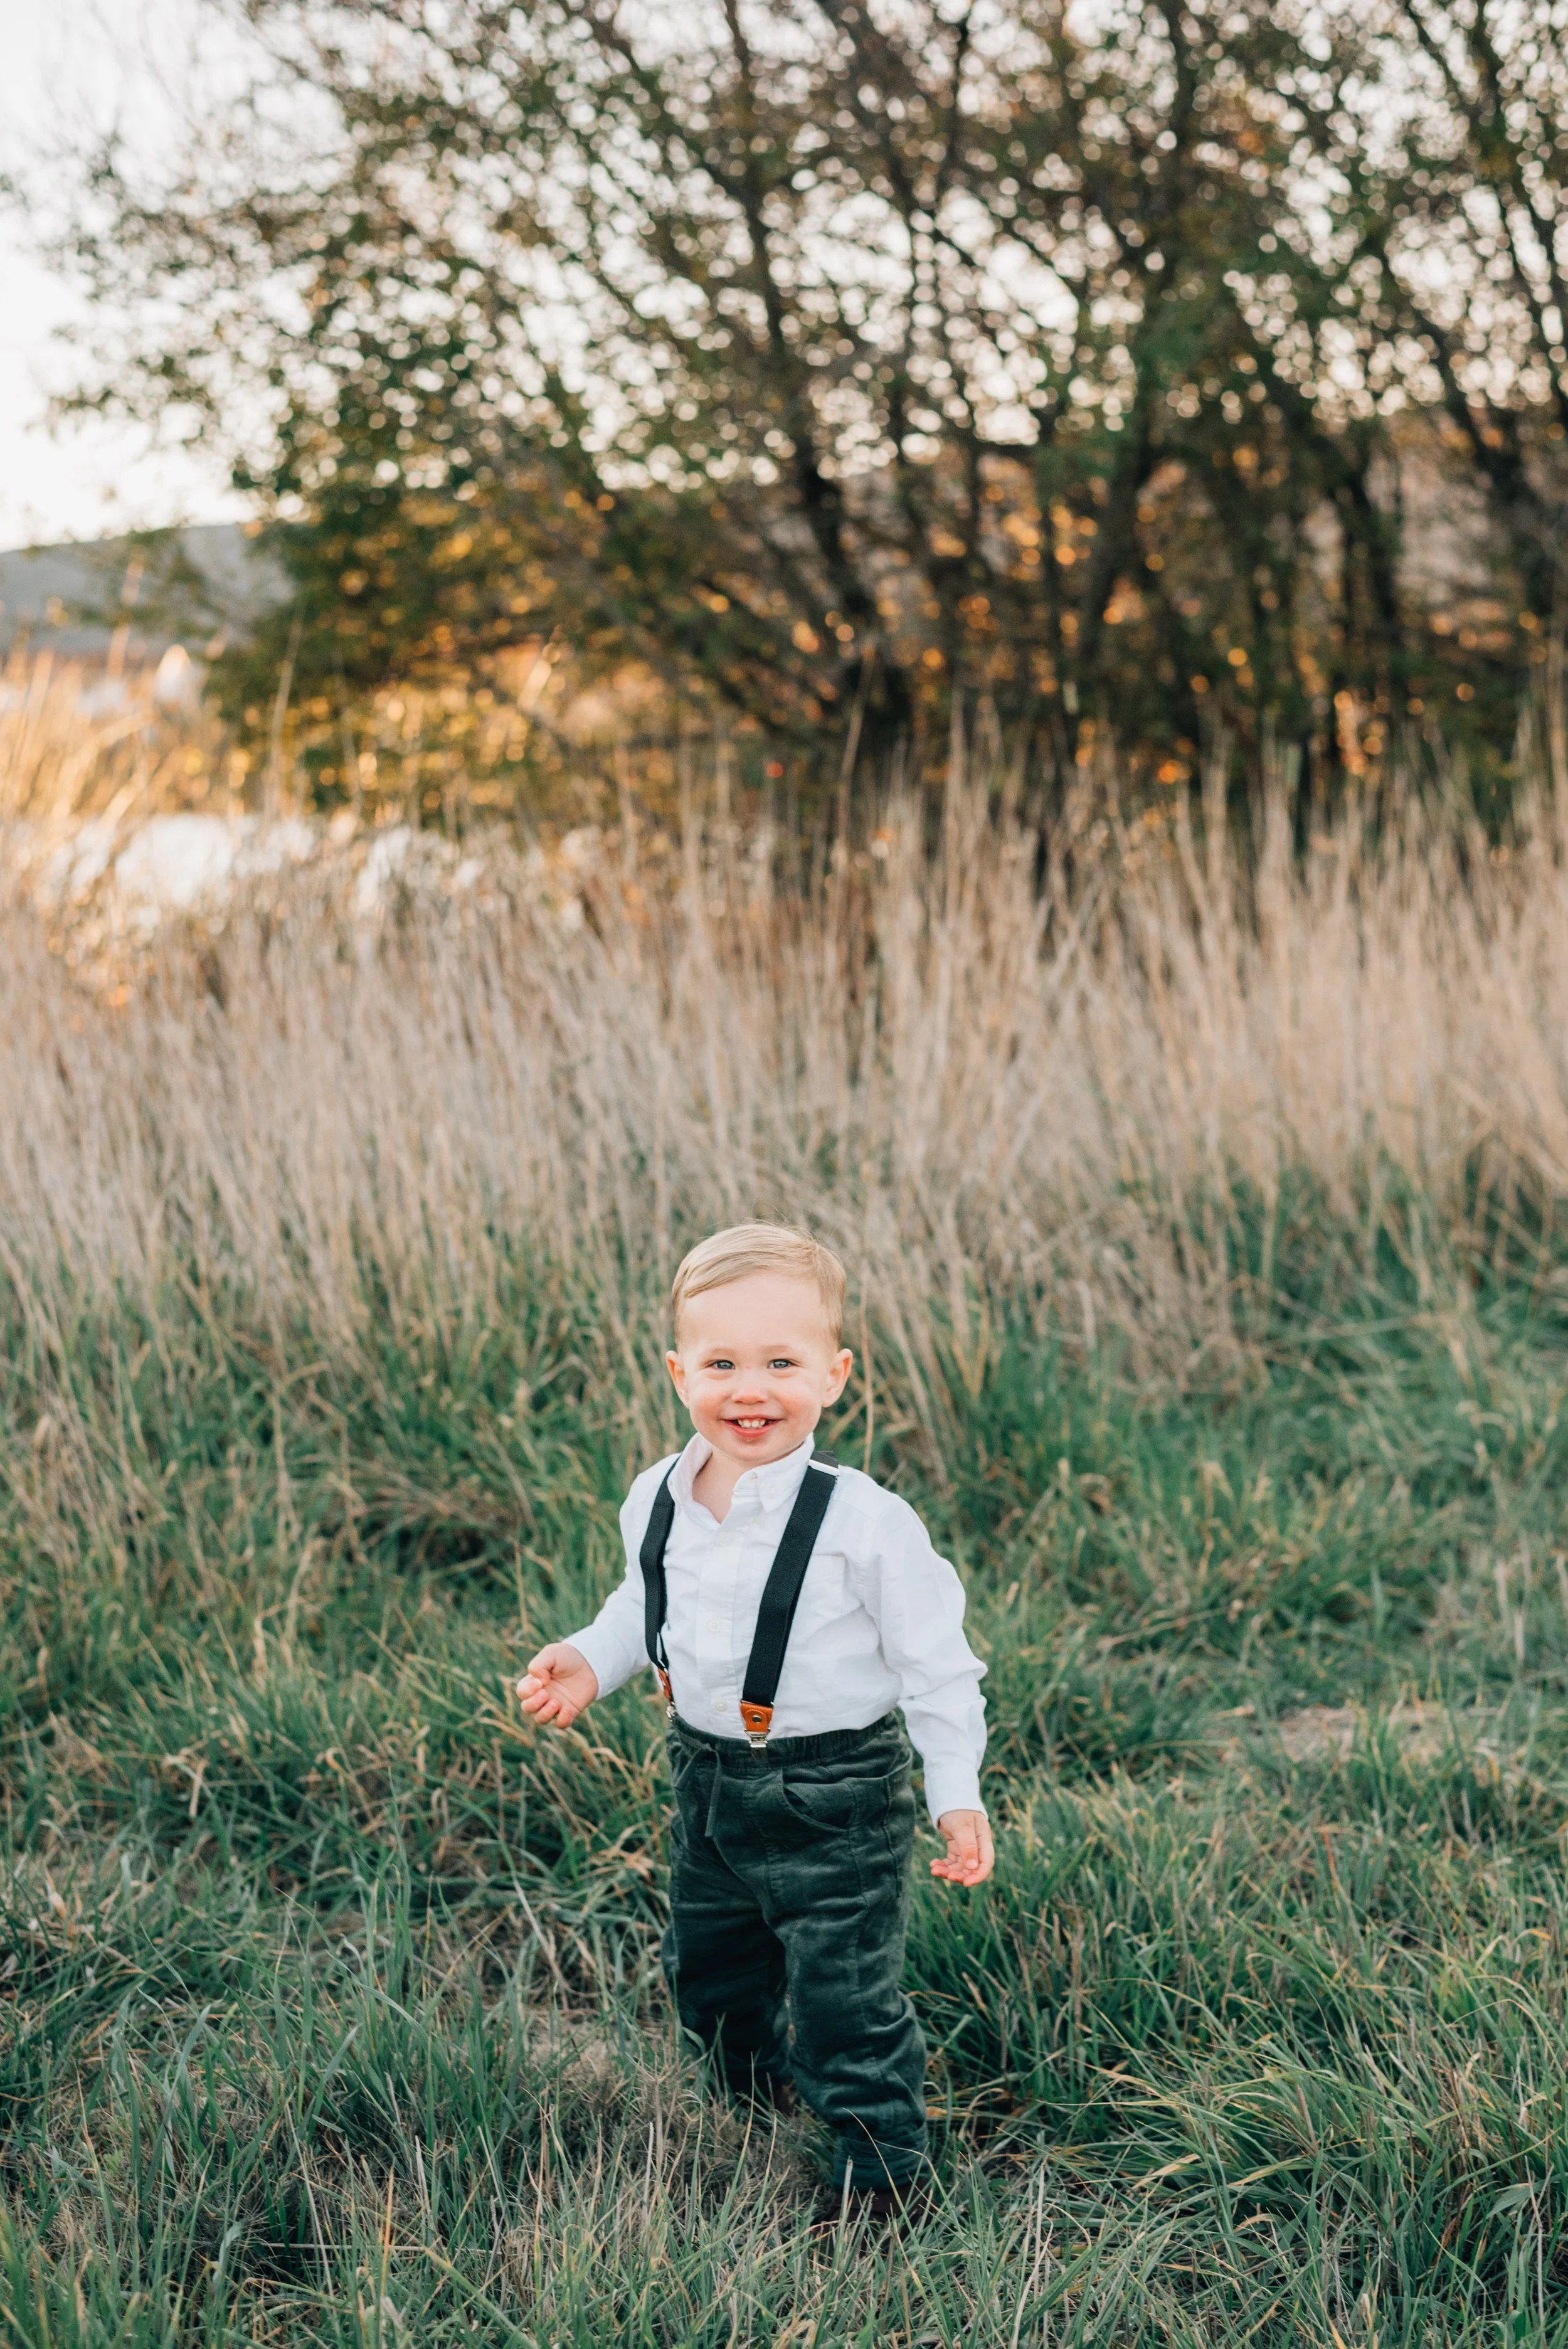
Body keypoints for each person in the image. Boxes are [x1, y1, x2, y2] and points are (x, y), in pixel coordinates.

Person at [516, 1222, 993, 2223]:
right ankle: (749, 2091)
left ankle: (879, 2174)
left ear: (835, 1374)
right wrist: (589, 1661)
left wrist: (956, 1796)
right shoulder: (658, 1496)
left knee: (844, 1997)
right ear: (679, 1371)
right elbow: (643, 1608)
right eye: (723, 1362)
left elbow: (937, 1668)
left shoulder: (865, 1523)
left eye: (782, 1362)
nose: (751, 1389)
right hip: (710, 1782)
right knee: (713, 1969)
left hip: (836, 1793)